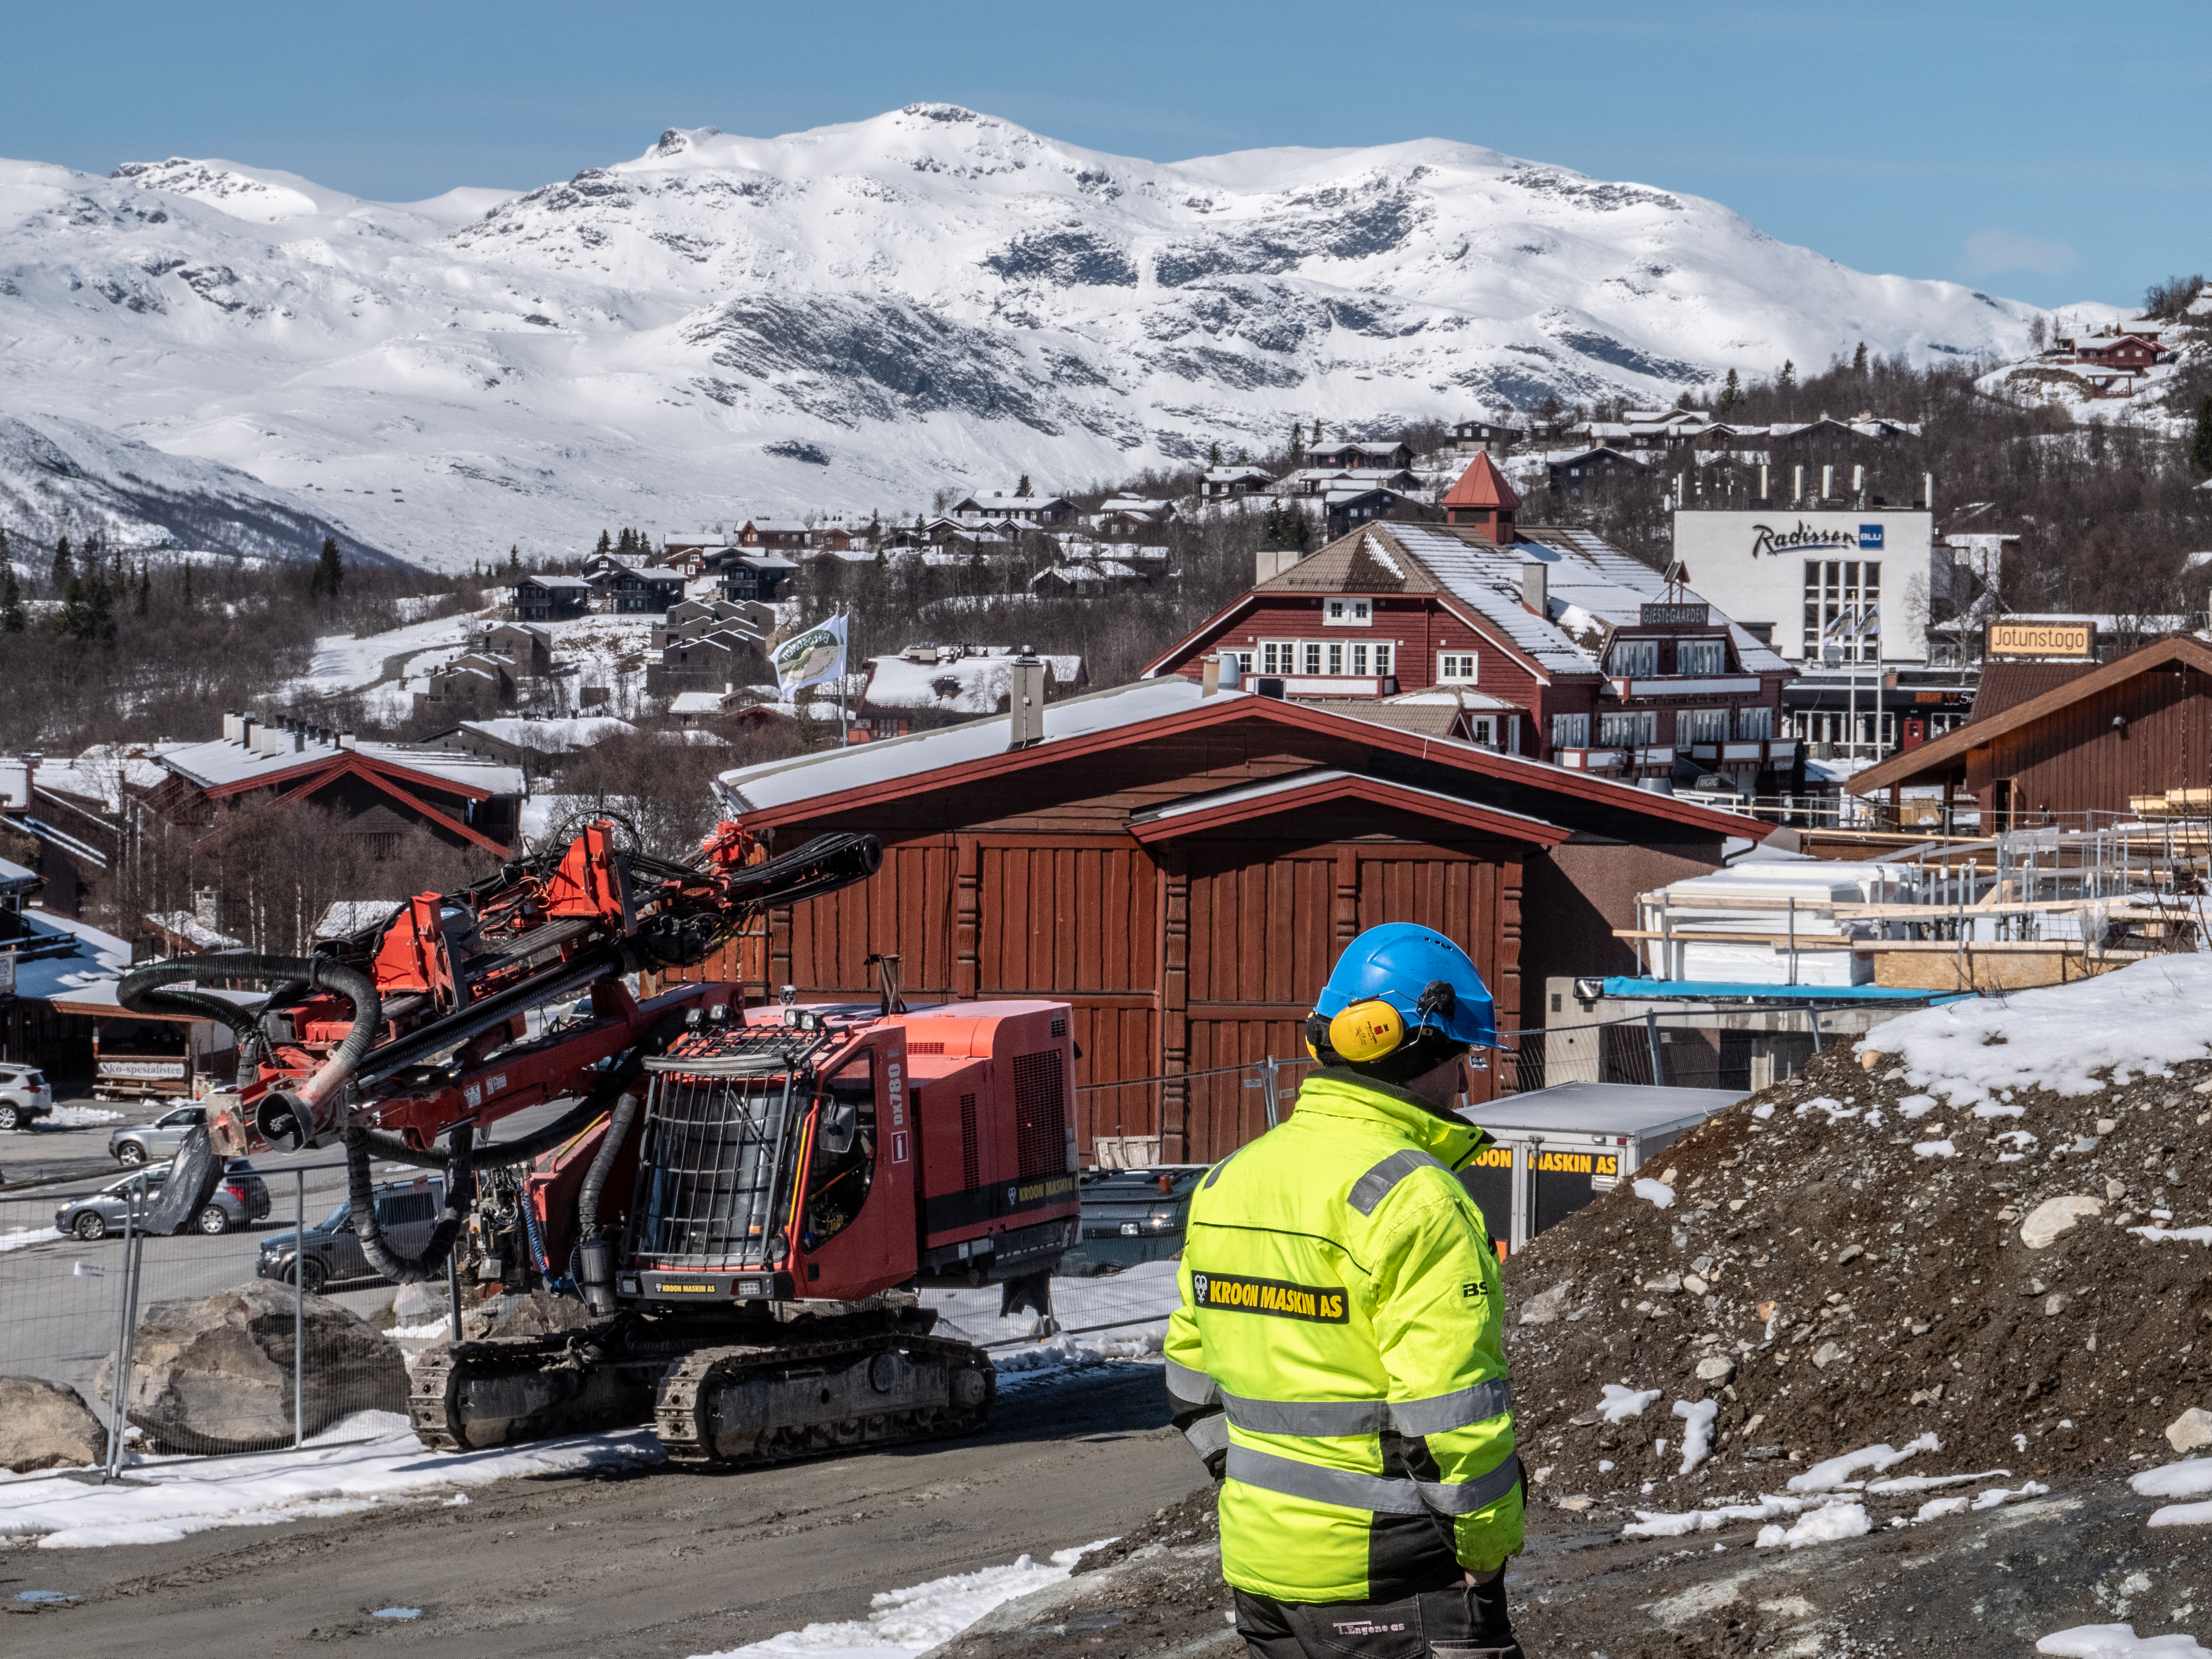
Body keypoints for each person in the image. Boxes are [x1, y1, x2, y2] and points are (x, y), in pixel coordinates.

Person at [1166, 922, 1525, 1659]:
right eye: (1459, 1057)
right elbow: (1450, 1411)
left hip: (1262, 1574)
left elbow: (1188, 1375)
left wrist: (1260, 1490)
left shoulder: (1230, 1178)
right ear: (1412, 1047)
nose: (1463, 1083)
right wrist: (1485, 1553)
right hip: (1395, 1577)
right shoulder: (1416, 1198)